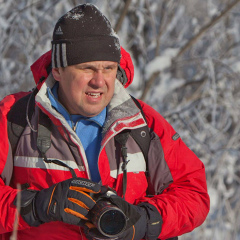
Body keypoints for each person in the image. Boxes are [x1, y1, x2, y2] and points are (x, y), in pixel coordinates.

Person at [0, 3, 210, 240]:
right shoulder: (16, 117)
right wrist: (37, 206)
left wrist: (141, 222)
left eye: (108, 69)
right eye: (86, 68)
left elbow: (193, 193)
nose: (99, 82)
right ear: (58, 71)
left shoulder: (141, 122)